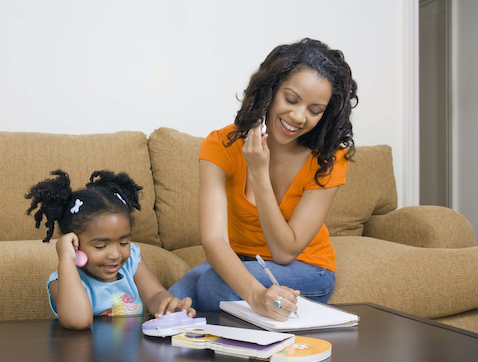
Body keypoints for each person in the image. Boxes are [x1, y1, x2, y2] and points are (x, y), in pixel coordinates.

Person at [169, 38, 358, 322]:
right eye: (291, 99)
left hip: (306, 266)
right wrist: (253, 291)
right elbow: (214, 239)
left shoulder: (329, 157)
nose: (298, 116)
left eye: (314, 110)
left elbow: (283, 251)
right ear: (270, 90)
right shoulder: (221, 144)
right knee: (171, 303)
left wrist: (258, 172)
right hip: (242, 258)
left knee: (212, 285)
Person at [26, 169, 196, 330]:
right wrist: (66, 259)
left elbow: (154, 295)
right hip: (87, 358)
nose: (115, 255)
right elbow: (79, 321)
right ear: (74, 244)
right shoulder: (62, 280)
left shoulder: (131, 261)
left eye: (123, 243)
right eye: (101, 246)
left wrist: (168, 305)